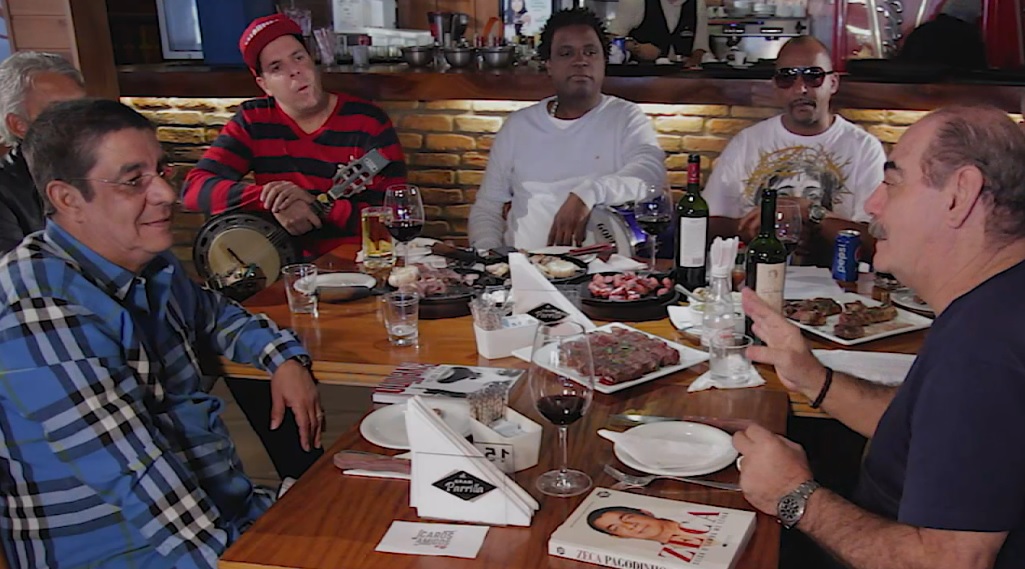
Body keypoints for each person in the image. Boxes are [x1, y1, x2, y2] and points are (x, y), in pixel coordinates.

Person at [0, 98, 322, 568]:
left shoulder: (144, 262)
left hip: (222, 520)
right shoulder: (38, 308)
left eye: (161, 171)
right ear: (67, 199)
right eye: (134, 181)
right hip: (136, 554)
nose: (167, 194)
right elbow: (140, 481)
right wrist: (251, 558)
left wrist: (282, 357)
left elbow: (215, 314)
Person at [733, 105, 1025, 568]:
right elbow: (930, 427)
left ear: (959, 195)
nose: (872, 204)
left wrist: (793, 495)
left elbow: (951, 562)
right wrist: (812, 377)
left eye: (892, 183)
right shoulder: (994, 303)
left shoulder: (984, 347)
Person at [181, 13, 407, 259]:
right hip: (280, 265)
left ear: (313, 61)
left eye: (298, 57)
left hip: (355, 263)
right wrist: (271, 198)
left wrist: (318, 206)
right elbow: (194, 190)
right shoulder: (253, 119)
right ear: (264, 85)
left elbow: (396, 215)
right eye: (277, 68)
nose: (294, 72)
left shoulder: (368, 121)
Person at [468, 8, 666, 250]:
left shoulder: (625, 117)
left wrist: (589, 192)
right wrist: (488, 255)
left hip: (605, 270)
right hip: (523, 267)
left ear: (604, 61)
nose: (580, 61)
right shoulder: (519, 125)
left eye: (590, 52)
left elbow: (650, 175)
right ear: (549, 65)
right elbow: (488, 207)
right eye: (566, 53)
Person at [704, 35, 885, 264]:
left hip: (835, 279)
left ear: (833, 83)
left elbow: (875, 243)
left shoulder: (864, 148)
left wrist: (811, 213)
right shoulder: (747, 142)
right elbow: (708, 224)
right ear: (776, 87)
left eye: (813, 76)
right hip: (757, 275)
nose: (800, 89)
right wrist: (753, 227)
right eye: (786, 78)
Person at [0, 51, 86, 253]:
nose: (79, 120)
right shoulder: (4, 192)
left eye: (81, 107)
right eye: (59, 111)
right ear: (19, 125)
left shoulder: (107, 168)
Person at [609, 0, 710, 67]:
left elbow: (700, 47)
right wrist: (636, 48)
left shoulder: (697, 4)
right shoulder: (636, 2)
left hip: (680, 78)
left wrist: (693, 61)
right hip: (641, 76)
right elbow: (610, 37)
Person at [588, 506, 717, 543]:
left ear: (646, 513)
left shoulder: (695, 514)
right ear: (618, 536)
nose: (630, 526)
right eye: (616, 528)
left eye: (628, 518)